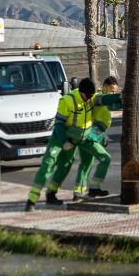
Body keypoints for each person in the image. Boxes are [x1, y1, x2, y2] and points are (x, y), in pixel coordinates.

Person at [27, 77, 101, 209]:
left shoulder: (89, 98)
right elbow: (59, 124)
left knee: (65, 166)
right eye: (88, 96)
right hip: (59, 138)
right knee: (48, 164)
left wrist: (119, 97)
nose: (90, 98)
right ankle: (31, 200)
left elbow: (105, 99)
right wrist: (64, 141)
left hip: (72, 140)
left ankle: (51, 193)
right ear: (81, 92)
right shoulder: (66, 101)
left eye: (92, 96)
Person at [51, 75, 118, 200]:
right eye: (111, 91)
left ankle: (85, 190)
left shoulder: (96, 98)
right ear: (104, 87)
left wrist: (104, 135)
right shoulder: (97, 98)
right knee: (82, 163)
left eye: (115, 91)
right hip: (88, 136)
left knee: (88, 163)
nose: (113, 93)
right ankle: (78, 191)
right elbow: (105, 103)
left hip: (95, 135)